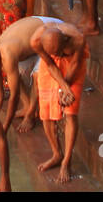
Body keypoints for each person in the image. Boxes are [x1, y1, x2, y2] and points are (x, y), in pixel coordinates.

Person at [30, 23, 88, 183]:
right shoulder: (36, 41)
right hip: (49, 67)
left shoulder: (77, 39)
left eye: (60, 52)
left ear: (65, 40)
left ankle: (66, 161)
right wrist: (62, 87)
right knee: (46, 113)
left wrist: (65, 89)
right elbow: (50, 64)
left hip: (73, 65)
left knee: (70, 112)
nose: (59, 55)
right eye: (56, 53)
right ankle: (57, 154)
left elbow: (75, 64)